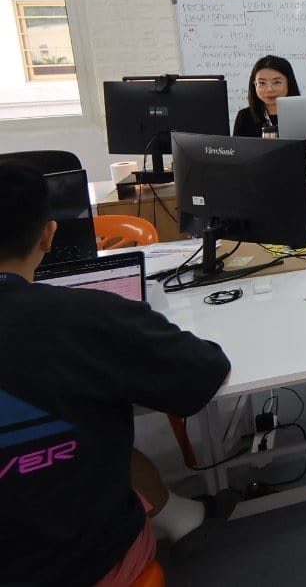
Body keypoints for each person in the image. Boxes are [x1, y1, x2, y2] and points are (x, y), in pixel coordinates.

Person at [0, 162, 231, 586]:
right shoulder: (84, 315)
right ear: (49, 234)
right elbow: (203, 373)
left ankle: (179, 514)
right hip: (80, 566)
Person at [233, 54, 301, 137]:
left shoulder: (304, 115)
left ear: (289, 83)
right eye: (262, 83)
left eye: (277, 82)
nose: (269, 89)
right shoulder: (245, 117)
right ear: (255, 85)